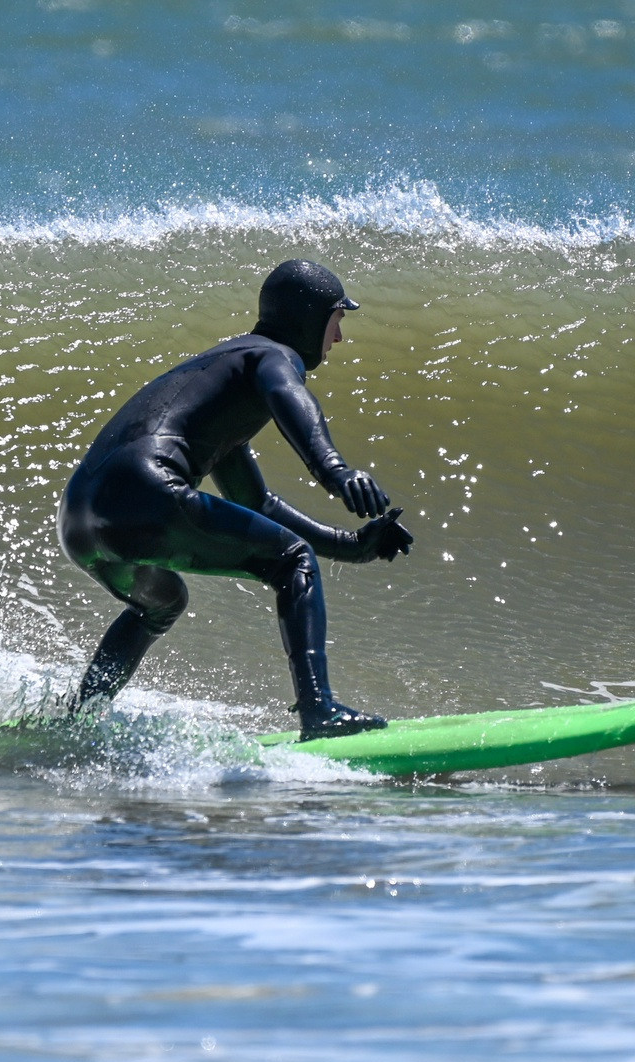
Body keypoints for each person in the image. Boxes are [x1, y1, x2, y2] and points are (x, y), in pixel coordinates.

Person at [59, 259, 415, 738]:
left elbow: (259, 505)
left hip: (81, 517)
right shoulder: (272, 356)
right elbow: (289, 395)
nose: (339, 337)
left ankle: (78, 720)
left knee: (160, 602)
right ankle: (320, 712)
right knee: (292, 560)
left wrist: (351, 545)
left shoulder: (222, 381)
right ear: (311, 316)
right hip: (146, 486)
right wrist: (336, 471)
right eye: (338, 318)